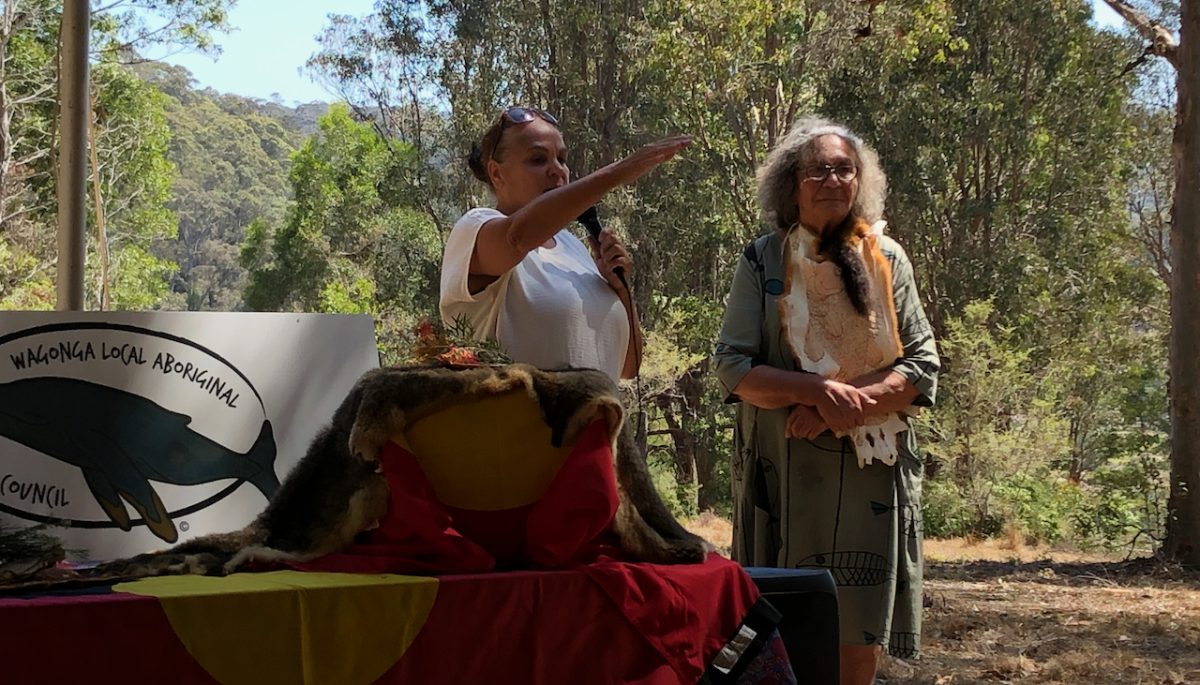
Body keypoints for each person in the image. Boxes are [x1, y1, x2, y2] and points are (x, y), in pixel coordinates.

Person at [714, 117, 940, 685]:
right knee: (781, 630)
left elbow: (921, 366)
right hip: (782, 478)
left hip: (870, 478)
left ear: (859, 182)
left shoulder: (888, 259)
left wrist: (844, 408)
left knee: (856, 628)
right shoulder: (762, 261)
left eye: (845, 169)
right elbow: (733, 367)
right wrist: (815, 390)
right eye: (819, 169)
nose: (833, 179)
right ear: (792, 184)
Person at [440, 106, 689, 381]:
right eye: (537, 160)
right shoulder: (474, 228)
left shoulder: (574, 247)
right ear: (496, 174)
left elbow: (627, 368)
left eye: (562, 158)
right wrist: (616, 173)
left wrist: (619, 289)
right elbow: (516, 237)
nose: (557, 170)